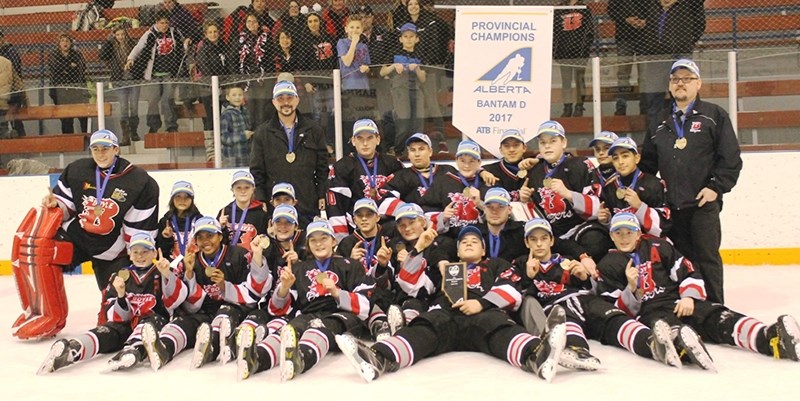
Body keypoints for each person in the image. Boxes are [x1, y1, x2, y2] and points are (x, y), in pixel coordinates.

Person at [334, 225, 569, 383]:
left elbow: (512, 290)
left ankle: (537, 355)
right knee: (422, 328)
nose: (468, 244)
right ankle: (379, 358)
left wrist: (482, 304)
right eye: (463, 241)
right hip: (444, 315)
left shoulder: (496, 264)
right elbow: (409, 284)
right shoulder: (445, 269)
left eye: (474, 241)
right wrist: (419, 249)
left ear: (483, 249)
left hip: (482, 314)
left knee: (501, 327)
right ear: (456, 249)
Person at [596, 212, 800, 368]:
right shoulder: (607, 265)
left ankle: (769, 337)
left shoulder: (658, 246)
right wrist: (631, 290)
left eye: (628, 232)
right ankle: (682, 348)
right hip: (649, 312)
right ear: (611, 236)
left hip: (677, 303)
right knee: (667, 329)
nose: (624, 238)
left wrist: (689, 297)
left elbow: (688, 271)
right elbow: (617, 313)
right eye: (618, 233)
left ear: (638, 233)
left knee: (717, 315)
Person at [511, 218, 681, 371]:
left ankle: (651, 343)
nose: (539, 244)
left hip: (586, 299)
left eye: (544, 238)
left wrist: (584, 277)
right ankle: (577, 351)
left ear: (552, 240)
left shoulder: (567, 259)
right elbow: (521, 300)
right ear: (526, 243)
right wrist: (528, 277)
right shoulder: (520, 263)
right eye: (533, 240)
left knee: (613, 317)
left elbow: (590, 286)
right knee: (566, 322)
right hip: (555, 305)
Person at [640, 59, 742, 304]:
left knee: (707, 258)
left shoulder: (714, 115)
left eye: (687, 79)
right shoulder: (659, 121)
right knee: (682, 261)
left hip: (701, 204)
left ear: (699, 84)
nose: (680, 83)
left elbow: (730, 158)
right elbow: (647, 165)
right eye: (675, 79)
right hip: (672, 207)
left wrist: (716, 188)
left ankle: (716, 309)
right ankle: (691, 307)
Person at [38, 233, 186, 374]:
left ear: (154, 253)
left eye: (145, 252)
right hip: (126, 325)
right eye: (135, 252)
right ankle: (74, 348)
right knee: (107, 330)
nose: (140, 256)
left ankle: (133, 349)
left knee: (149, 323)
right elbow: (116, 317)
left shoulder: (163, 270)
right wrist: (121, 295)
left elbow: (175, 301)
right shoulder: (119, 275)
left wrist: (167, 274)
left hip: (153, 325)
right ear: (129, 254)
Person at [139, 216, 273, 371]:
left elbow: (257, 290)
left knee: (224, 314)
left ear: (221, 236)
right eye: (200, 237)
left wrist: (224, 286)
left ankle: (215, 346)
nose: (205, 241)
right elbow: (181, 303)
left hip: (236, 309)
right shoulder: (189, 260)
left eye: (210, 235)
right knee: (182, 322)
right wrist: (188, 273)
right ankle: (164, 348)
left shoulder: (240, 254)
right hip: (206, 313)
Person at [43, 129, 159, 290]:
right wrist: (56, 204)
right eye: (95, 149)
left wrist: (136, 257)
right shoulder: (77, 170)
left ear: (116, 149)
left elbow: (138, 230)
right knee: (41, 253)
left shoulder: (138, 182)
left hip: (112, 251)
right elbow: (66, 205)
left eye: (105, 148)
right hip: (77, 237)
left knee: (117, 294)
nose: (100, 154)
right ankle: (49, 311)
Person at [263, 220, 376, 380]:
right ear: (308, 244)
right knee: (291, 328)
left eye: (324, 238)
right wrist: (284, 289)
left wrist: (337, 292)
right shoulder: (299, 268)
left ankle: (301, 358)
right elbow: (277, 310)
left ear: (333, 241)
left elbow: (365, 305)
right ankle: (257, 357)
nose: (319, 244)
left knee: (320, 327)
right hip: (309, 314)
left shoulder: (351, 265)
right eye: (313, 240)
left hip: (341, 316)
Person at [518, 120, 608, 260]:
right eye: (543, 142)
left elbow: (598, 209)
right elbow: (533, 213)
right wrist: (524, 199)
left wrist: (568, 194)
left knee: (595, 241)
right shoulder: (534, 171)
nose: (547, 146)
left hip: (581, 228)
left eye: (553, 141)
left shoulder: (581, 164)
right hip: (551, 234)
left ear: (564, 142)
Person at [250, 80, 329, 228]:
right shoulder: (262, 133)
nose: (285, 103)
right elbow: (257, 170)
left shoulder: (314, 130)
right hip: (276, 204)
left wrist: (321, 194)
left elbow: (322, 167)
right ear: (274, 102)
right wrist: (261, 198)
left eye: (289, 98)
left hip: (306, 202)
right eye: (281, 99)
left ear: (297, 100)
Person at [327, 119, 404, 240]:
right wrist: (342, 241)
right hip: (357, 231)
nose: (365, 143)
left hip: (388, 229)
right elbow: (336, 206)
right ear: (353, 141)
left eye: (369, 138)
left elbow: (404, 197)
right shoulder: (342, 167)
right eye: (360, 138)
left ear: (378, 139)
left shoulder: (393, 164)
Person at [637, 0, 706, 132]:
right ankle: (654, 135)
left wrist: (685, 41)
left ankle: (689, 132)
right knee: (654, 99)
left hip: (679, 55)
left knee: (685, 96)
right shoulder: (651, 5)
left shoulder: (689, 4)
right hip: (656, 56)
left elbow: (699, 25)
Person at [125, 11, 187, 134]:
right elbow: (139, 46)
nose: (164, 25)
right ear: (156, 23)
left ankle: (171, 125)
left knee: (167, 99)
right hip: (153, 74)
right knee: (153, 100)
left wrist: (187, 44)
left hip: (169, 72)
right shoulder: (150, 34)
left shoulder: (174, 33)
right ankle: (153, 125)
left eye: (166, 23)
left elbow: (182, 46)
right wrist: (130, 58)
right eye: (161, 23)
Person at [598, 136, 670, 238]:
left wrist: (640, 207)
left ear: (637, 158)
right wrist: (606, 220)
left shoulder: (653, 184)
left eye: (625, 156)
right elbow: (611, 230)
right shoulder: (609, 188)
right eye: (615, 158)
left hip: (649, 243)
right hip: (621, 243)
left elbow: (664, 226)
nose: (621, 162)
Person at [420, 139, 489, 237]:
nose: (466, 165)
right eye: (462, 160)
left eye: (472, 161)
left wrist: (480, 205)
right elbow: (425, 211)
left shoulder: (487, 183)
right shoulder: (443, 182)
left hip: (480, 239)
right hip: (449, 239)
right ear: (456, 160)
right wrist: (443, 216)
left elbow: (499, 217)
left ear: (479, 162)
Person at [380, 133, 456, 214]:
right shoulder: (401, 177)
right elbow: (385, 201)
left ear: (430, 151)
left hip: (447, 221)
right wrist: (409, 211)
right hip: (415, 222)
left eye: (421, 149)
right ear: (408, 154)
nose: (417, 154)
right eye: (413, 150)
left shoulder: (448, 171)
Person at [190, 20, 232, 160]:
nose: (213, 34)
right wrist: (216, 84)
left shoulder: (223, 47)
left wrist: (225, 85)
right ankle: (211, 152)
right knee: (209, 119)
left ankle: (222, 148)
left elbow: (227, 66)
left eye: (215, 31)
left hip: (222, 89)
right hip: (208, 90)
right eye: (210, 32)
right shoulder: (203, 49)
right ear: (205, 34)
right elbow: (205, 69)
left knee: (222, 118)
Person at [381, 22, 426, 153]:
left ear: (417, 39)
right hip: (400, 89)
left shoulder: (420, 54)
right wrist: (394, 66)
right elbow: (383, 72)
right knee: (404, 122)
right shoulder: (394, 52)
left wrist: (417, 69)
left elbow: (423, 78)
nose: (408, 39)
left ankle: (416, 150)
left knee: (418, 122)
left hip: (416, 89)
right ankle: (397, 150)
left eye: (411, 36)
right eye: (405, 36)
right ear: (401, 39)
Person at [553, 0, 595, 118]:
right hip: (564, 53)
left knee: (579, 81)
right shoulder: (559, 9)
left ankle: (579, 106)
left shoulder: (585, 8)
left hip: (580, 53)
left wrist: (583, 48)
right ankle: (567, 107)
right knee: (566, 82)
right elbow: (554, 31)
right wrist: (556, 50)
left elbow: (590, 31)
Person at [100, 26, 141, 145]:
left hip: (133, 79)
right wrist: (108, 41)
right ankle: (125, 136)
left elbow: (140, 56)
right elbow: (102, 56)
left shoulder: (132, 44)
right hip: (119, 80)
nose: (120, 37)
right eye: (118, 35)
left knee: (134, 107)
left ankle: (134, 132)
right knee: (123, 108)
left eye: (122, 34)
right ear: (114, 36)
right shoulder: (111, 46)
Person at [338, 13, 373, 147]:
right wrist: (353, 43)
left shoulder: (364, 46)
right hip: (349, 87)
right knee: (351, 120)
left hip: (364, 86)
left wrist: (367, 69)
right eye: (351, 27)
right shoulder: (342, 43)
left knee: (364, 118)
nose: (354, 30)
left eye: (358, 27)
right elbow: (346, 62)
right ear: (346, 29)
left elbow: (368, 66)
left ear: (362, 29)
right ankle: (350, 146)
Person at [234, 12, 274, 128]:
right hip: (247, 82)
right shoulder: (240, 40)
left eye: (254, 21)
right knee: (250, 112)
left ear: (259, 23)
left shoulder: (267, 38)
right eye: (249, 21)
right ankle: (251, 141)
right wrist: (238, 81)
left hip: (262, 81)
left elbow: (271, 59)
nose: (252, 24)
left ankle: (261, 139)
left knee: (261, 113)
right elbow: (234, 59)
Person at [607, 0, 646, 116]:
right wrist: (625, 19)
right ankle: (621, 106)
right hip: (624, 37)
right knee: (623, 74)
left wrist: (646, 20)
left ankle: (644, 106)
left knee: (644, 75)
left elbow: (654, 8)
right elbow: (611, 11)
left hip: (644, 37)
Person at [218, 170, 269, 251]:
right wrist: (221, 228)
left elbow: (265, 243)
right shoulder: (225, 212)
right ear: (232, 190)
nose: (243, 191)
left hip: (252, 259)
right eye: (238, 188)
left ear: (253, 190)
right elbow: (218, 243)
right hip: (229, 260)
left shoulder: (260, 214)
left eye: (247, 187)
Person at [48, 33, 89, 134]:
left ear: (71, 43)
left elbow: (81, 68)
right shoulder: (53, 55)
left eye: (67, 41)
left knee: (83, 116)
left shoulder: (77, 54)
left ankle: (86, 137)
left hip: (76, 89)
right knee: (66, 119)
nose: (65, 43)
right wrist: (71, 66)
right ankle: (68, 140)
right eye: (62, 41)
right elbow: (56, 68)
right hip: (60, 91)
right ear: (59, 43)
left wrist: (65, 69)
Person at [156, 180, 203, 261]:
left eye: (187, 196)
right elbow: (160, 252)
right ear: (172, 199)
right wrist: (166, 239)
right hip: (171, 267)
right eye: (178, 196)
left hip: (195, 265)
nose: (182, 200)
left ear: (192, 200)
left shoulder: (199, 221)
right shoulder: (165, 222)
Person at [220, 86, 253, 168]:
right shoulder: (226, 114)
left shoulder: (245, 112)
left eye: (240, 95)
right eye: (234, 95)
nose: (237, 97)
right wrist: (243, 136)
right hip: (232, 158)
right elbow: (224, 138)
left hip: (247, 156)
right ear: (227, 97)